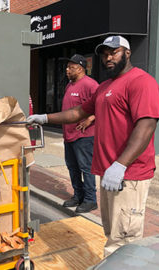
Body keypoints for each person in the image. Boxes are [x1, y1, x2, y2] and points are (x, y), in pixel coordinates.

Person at [27, 36, 159, 256]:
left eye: (113, 52)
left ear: (127, 53)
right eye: (104, 54)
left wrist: (120, 165)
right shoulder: (105, 86)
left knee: (123, 238)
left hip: (129, 173)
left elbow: (146, 125)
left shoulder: (141, 81)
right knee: (112, 231)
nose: (108, 58)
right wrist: (45, 118)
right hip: (109, 171)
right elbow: (78, 112)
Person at [60, 54, 99, 213]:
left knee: (86, 168)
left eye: (71, 67)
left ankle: (90, 200)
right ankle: (78, 195)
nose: (67, 70)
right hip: (69, 135)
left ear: (81, 68)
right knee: (72, 167)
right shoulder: (70, 85)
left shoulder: (90, 84)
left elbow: (101, 104)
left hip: (84, 136)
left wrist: (90, 119)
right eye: (67, 67)